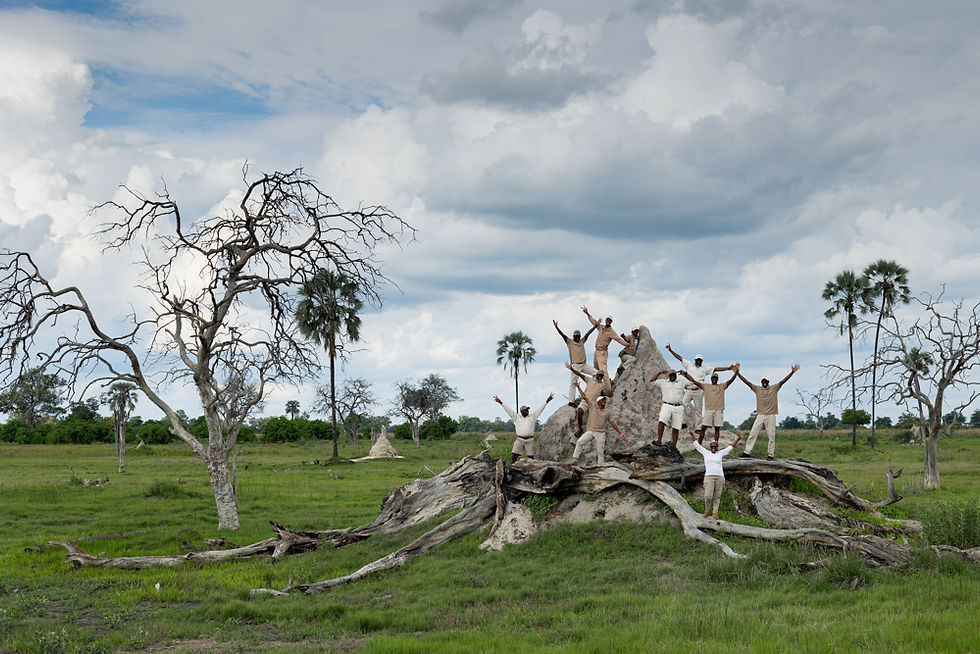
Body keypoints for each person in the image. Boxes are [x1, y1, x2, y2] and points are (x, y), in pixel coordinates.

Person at [735, 364, 800, 460]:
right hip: (760, 415)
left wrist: (792, 372)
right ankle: (747, 452)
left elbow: (783, 381)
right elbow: (747, 382)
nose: (764, 382)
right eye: (763, 381)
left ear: (768, 382)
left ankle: (770, 455)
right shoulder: (757, 389)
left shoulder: (774, 388)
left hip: (771, 415)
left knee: (771, 436)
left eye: (766, 381)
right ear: (761, 382)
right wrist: (737, 373)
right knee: (753, 433)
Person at [664, 344, 732, 419]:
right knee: (683, 403)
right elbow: (680, 358)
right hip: (689, 389)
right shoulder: (689, 365)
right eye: (697, 360)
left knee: (699, 410)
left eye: (700, 360)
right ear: (695, 360)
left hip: (699, 390)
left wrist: (728, 368)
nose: (699, 361)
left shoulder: (704, 368)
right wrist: (670, 350)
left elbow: (716, 369)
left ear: (702, 361)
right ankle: (686, 420)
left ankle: (698, 425)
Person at [688, 426, 742, 519]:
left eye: (715, 446)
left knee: (717, 496)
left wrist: (739, 438)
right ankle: (707, 509)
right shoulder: (706, 452)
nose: (713, 447)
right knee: (708, 496)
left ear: (717, 447)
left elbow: (730, 447)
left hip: (719, 476)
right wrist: (691, 434)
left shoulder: (720, 453)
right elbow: (696, 444)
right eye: (712, 446)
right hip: (709, 476)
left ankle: (715, 513)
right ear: (710, 447)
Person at [678, 363, 739, 444]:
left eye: (715, 378)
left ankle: (715, 444)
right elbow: (694, 381)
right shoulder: (706, 386)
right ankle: (699, 445)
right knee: (703, 428)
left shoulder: (722, 386)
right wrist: (686, 375)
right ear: (711, 379)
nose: (714, 379)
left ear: (717, 379)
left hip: (718, 410)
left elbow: (731, 380)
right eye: (713, 378)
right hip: (709, 410)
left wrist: (737, 372)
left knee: (717, 429)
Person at [570, 382, 626, 466]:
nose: (604, 401)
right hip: (591, 431)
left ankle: (600, 465)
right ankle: (575, 460)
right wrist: (578, 386)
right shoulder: (592, 406)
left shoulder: (607, 412)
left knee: (600, 451)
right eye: (602, 400)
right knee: (579, 442)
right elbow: (584, 396)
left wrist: (620, 432)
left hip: (600, 433)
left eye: (604, 400)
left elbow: (612, 422)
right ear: (598, 401)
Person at [494, 393, 554, 464]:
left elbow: (540, 410)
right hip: (519, 439)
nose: (527, 411)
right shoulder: (517, 417)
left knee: (531, 457)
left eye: (528, 410)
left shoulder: (532, 417)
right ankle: (512, 467)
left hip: (529, 440)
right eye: (526, 410)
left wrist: (547, 401)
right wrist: (500, 402)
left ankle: (531, 468)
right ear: (522, 412)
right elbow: (508, 410)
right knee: (514, 456)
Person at [582, 306, 629, 393]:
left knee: (603, 371)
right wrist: (587, 313)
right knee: (595, 371)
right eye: (607, 319)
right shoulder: (601, 327)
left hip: (602, 353)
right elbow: (593, 322)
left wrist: (628, 345)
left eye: (609, 320)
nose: (608, 321)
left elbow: (619, 339)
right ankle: (597, 389)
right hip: (596, 351)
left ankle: (608, 389)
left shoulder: (611, 332)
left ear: (611, 322)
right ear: (605, 320)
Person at [554, 319, 598, 405]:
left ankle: (594, 390)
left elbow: (588, 334)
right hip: (575, 365)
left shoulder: (582, 341)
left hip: (584, 364)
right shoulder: (570, 342)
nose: (577, 337)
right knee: (573, 383)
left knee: (596, 373)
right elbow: (563, 335)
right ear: (573, 336)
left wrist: (595, 326)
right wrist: (557, 327)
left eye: (578, 336)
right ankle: (571, 401)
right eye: (576, 336)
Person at [649, 369, 687, 446]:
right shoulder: (663, 382)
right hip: (667, 405)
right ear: (668, 375)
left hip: (678, 406)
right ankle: (659, 440)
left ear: (676, 376)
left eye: (674, 375)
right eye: (671, 375)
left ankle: (674, 446)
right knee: (661, 421)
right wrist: (659, 372)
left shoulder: (681, 382)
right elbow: (652, 381)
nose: (672, 376)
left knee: (676, 427)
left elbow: (693, 382)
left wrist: (685, 374)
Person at [566, 363, 605, 435]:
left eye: (601, 376)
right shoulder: (589, 380)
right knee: (579, 411)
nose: (600, 377)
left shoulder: (602, 385)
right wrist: (571, 369)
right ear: (596, 375)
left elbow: (602, 393)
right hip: (584, 402)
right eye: (599, 375)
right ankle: (580, 429)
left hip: (593, 404)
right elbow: (580, 374)